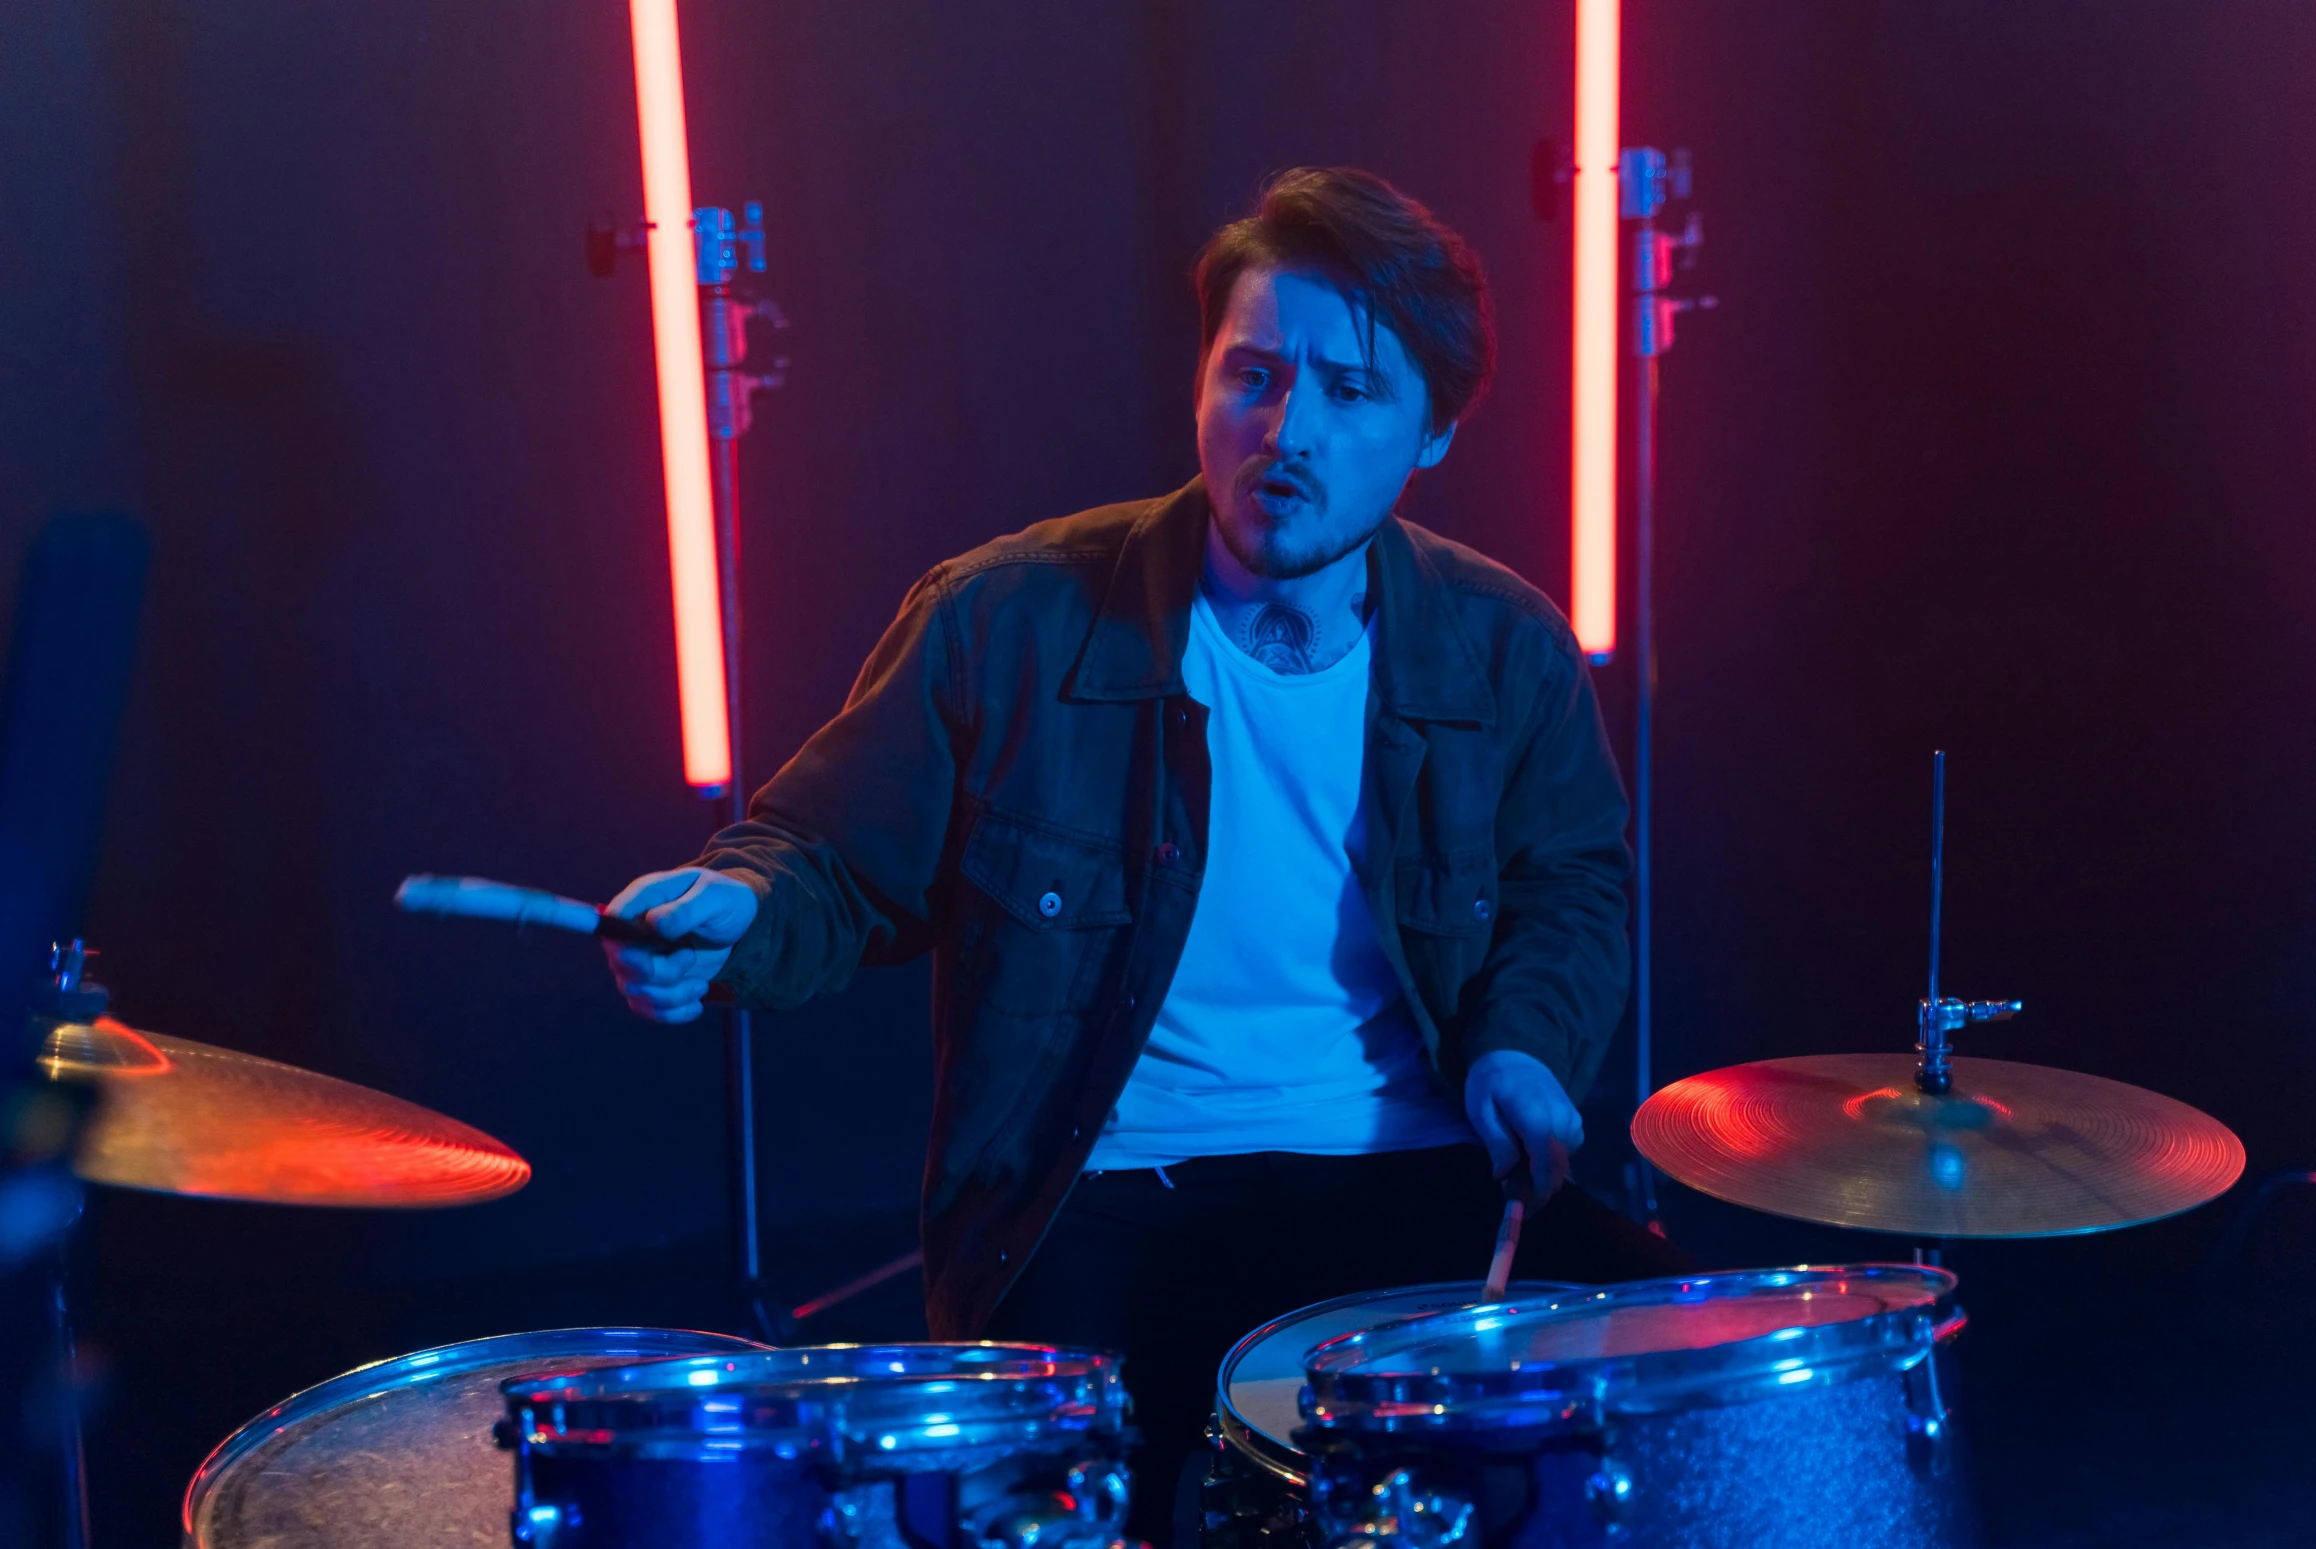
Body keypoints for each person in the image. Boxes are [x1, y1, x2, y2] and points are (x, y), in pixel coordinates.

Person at [604, 166, 1689, 1543]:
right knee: (1050, 1502)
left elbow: (1568, 886)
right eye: (1253, 374)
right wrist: (733, 909)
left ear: (1433, 436)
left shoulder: (1504, 644)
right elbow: (825, 858)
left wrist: (1523, 1046)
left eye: (1351, 392)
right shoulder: (1006, 618)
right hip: (1104, 1180)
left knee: (1693, 1404)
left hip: (1410, 1163)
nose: (1285, 429)